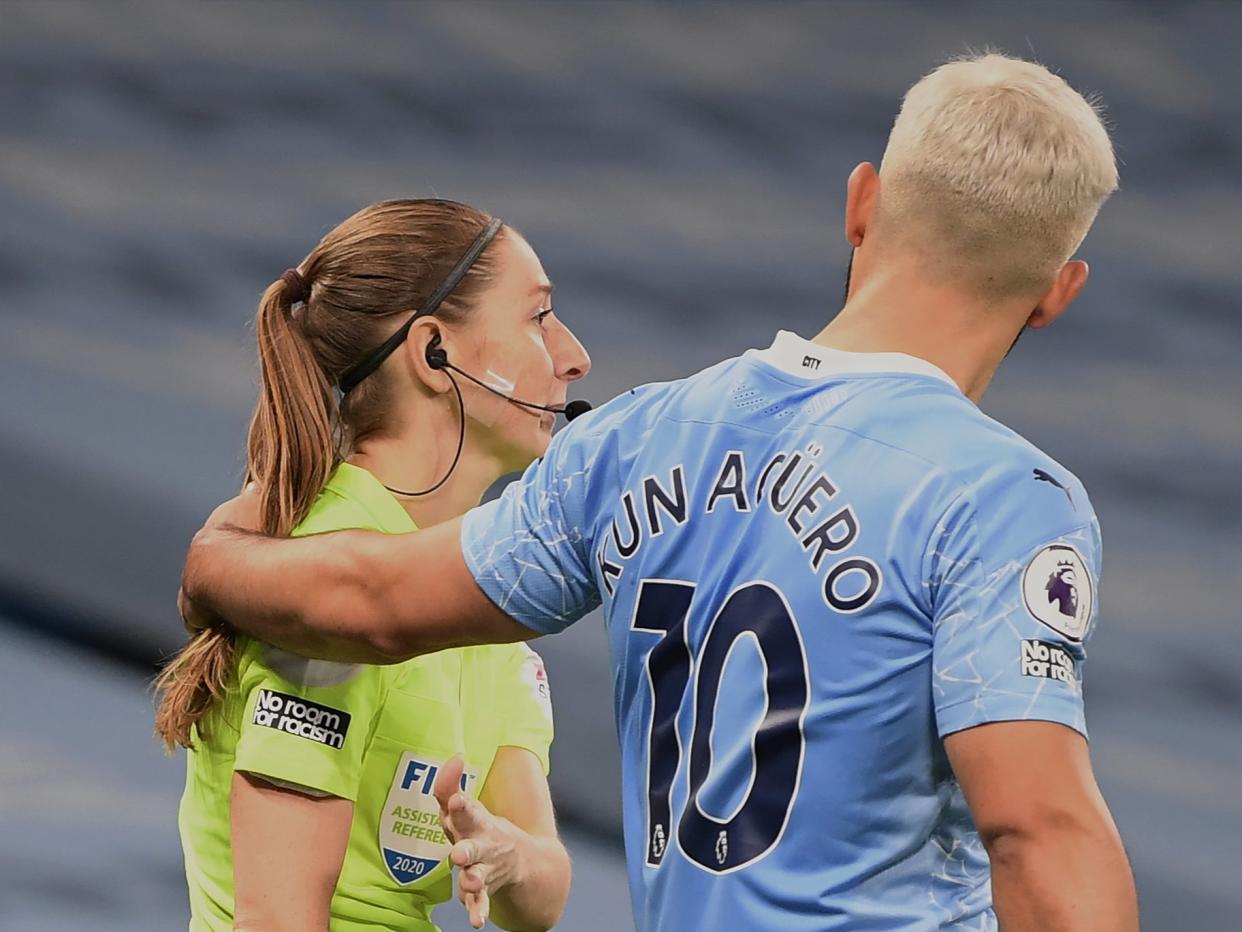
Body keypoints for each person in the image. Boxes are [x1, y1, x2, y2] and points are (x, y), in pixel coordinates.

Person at [179, 54, 1140, 931]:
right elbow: (1039, 834)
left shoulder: (640, 437)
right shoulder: (1004, 498)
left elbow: (375, 604)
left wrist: (215, 563)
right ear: (1060, 291)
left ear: (861, 204)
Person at [155, 198, 590, 931]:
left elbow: (543, 892)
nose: (574, 357)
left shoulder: (464, 591)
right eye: (538, 318)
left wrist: (509, 853)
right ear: (433, 352)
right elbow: (276, 918)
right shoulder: (322, 605)